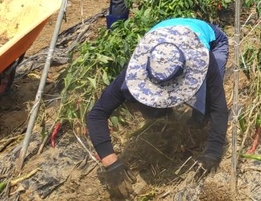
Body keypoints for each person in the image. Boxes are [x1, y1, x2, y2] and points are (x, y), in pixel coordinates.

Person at [86, 18, 229, 199]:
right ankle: (168, 118)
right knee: (152, 108)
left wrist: (213, 152)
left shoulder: (204, 59)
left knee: (207, 102)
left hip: (211, 40)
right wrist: (111, 163)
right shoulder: (140, 67)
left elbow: (219, 106)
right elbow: (97, 115)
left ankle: (199, 121)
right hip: (164, 36)